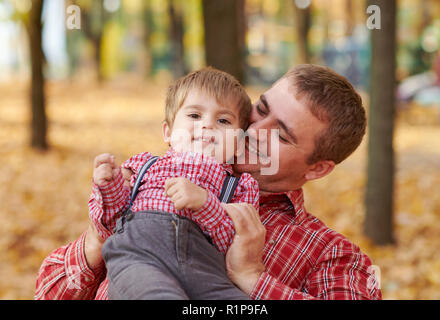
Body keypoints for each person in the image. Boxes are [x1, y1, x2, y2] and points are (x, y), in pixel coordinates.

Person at [35, 64, 382, 300]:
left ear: (318, 169)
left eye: (281, 135)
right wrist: (101, 236)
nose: (253, 131)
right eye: (261, 109)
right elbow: (47, 290)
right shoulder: (156, 177)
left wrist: (253, 278)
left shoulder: (334, 256)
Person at [89, 67, 258, 299]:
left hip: (206, 272)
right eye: (194, 116)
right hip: (141, 258)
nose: (207, 125)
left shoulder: (241, 186)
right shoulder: (144, 164)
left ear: (238, 143)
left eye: (223, 120)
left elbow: (235, 244)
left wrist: (206, 203)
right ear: (168, 132)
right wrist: (108, 187)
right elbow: (113, 220)